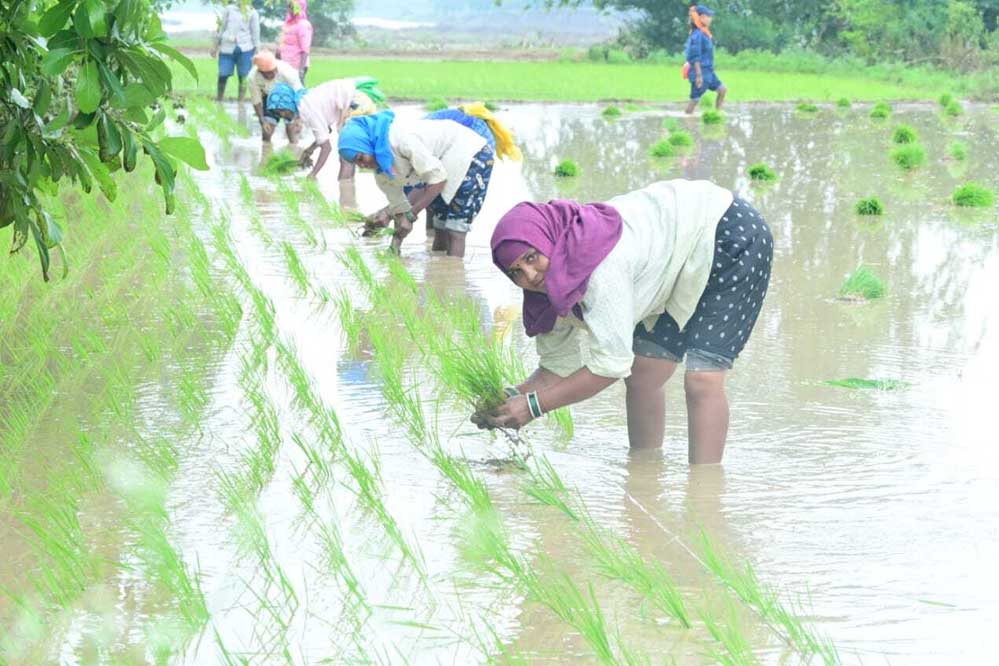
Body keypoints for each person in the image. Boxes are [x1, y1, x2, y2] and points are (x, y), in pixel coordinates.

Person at [471, 180, 773, 464]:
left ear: (547, 239)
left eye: (532, 258)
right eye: (516, 272)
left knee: (702, 380)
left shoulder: (600, 265)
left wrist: (533, 407)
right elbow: (557, 367)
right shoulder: (547, 293)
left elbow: (611, 365)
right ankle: (644, 472)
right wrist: (509, 400)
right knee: (643, 374)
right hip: (669, 256)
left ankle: (704, 491)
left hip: (726, 231)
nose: (530, 275)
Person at [338, 111, 495, 258]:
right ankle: (437, 272)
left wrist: (410, 215)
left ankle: (454, 275)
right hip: (440, 163)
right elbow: (399, 205)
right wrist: (395, 246)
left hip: (471, 153)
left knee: (456, 228)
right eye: (356, 163)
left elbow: (438, 180)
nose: (362, 166)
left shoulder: (401, 140)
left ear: (367, 144)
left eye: (361, 158)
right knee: (439, 225)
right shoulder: (382, 172)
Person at [297, 78, 384, 180]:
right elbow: (325, 133)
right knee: (352, 153)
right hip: (360, 100)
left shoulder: (308, 112)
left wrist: (313, 174)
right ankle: (349, 185)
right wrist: (309, 150)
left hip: (356, 103)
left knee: (347, 155)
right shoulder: (306, 103)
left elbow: (326, 147)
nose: (297, 127)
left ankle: (344, 187)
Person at [247, 50, 303, 142]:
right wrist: (262, 120)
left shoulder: (288, 72)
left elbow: (299, 94)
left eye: (273, 71)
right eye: (267, 73)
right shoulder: (253, 77)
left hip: (290, 99)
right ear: (260, 71)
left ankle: (294, 148)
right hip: (269, 98)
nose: (271, 74)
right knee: (267, 132)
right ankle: (266, 149)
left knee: (292, 130)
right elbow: (256, 100)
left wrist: (299, 118)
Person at [211, 0, 261, 101]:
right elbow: (221, 28)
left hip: (246, 48)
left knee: (244, 76)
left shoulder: (252, 12)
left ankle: (240, 102)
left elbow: (255, 32)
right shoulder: (229, 10)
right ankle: (219, 99)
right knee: (223, 74)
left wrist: (257, 50)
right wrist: (215, 46)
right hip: (227, 48)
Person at [684, 5, 727, 114]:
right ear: (702, 17)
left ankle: (717, 113)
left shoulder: (704, 33)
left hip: (708, 72)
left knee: (722, 89)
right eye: (709, 16)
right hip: (700, 72)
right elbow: (695, 56)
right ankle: (686, 118)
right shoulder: (697, 35)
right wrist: (698, 75)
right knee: (695, 99)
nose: (710, 19)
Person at [277, 0, 313, 85]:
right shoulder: (288, 24)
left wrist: (301, 70)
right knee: (284, 89)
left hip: (297, 65)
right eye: (289, 7)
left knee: (297, 89)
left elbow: (305, 49)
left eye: (293, 7)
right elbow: (282, 42)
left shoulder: (304, 25)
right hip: (285, 63)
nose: (290, 10)